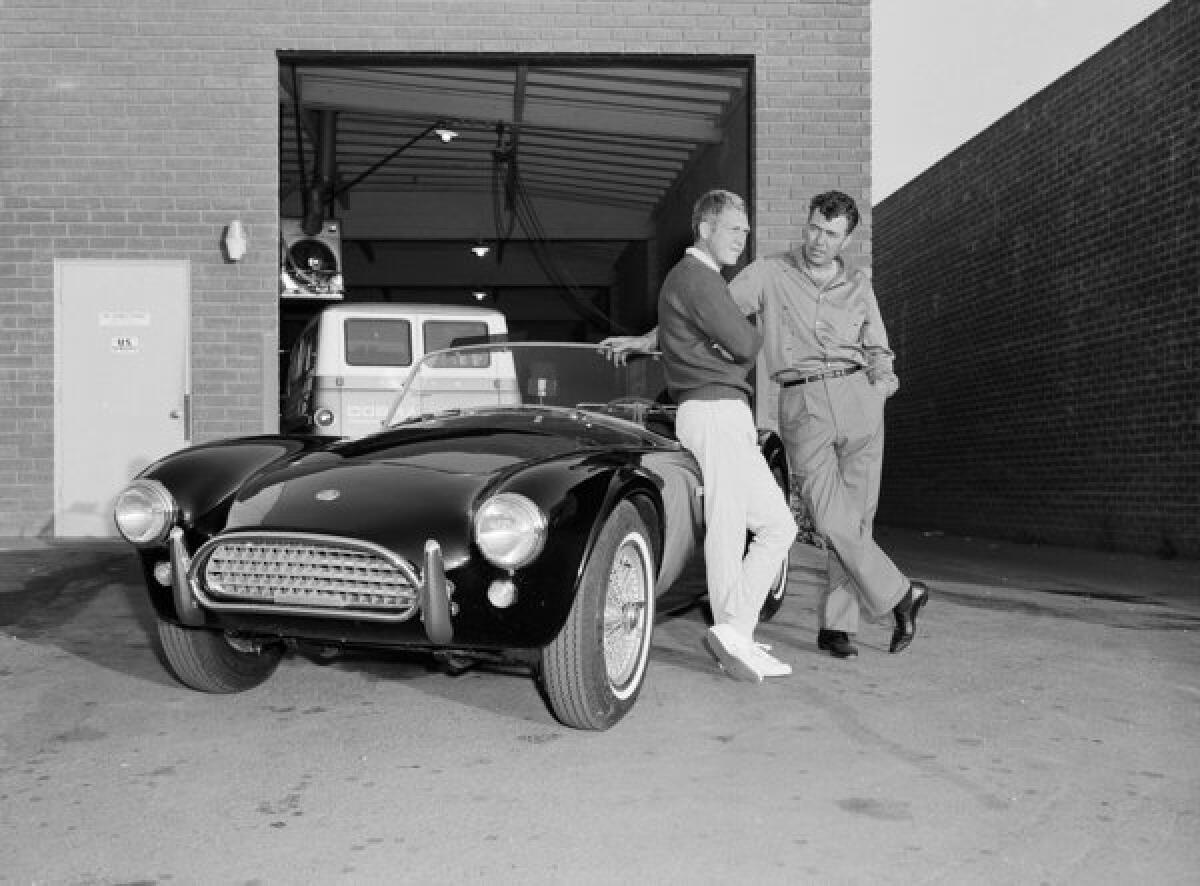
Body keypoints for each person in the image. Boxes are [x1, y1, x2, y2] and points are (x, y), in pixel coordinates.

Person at [602, 190, 928, 660]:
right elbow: (706, 311)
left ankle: (838, 625)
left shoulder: (859, 284)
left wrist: (882, 380)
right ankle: (900, 593)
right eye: (814, 227)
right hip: (804, 401)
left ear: (846, 239)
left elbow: (878, 347)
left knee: (856, 519)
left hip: (859, 398)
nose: (818, 240)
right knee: (829, 515)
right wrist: (647, 338)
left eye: (831, 234)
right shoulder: (769, 273)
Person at [613, 189, 797, 682]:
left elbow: (733, 345)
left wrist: (730, 340)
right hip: (714, 410)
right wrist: (737, 335)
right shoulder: (698, 278)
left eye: (746, 231)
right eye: (735, 229)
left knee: (777, 524)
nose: (743, 238)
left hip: (722, 409)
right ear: (706, 228)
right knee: (730, 520)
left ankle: (735, 628)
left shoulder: (701, 280)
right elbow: (746, 344)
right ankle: (732, 632)